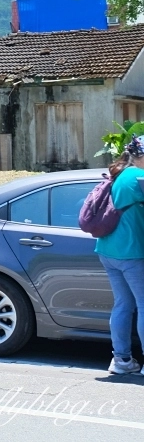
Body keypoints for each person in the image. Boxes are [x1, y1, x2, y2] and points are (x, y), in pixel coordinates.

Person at [98, 136, 144, 376]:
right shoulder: (138, 177)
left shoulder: (120, 174)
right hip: (131, 252)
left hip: (108, 250)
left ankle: (121, 360)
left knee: (123, 304)